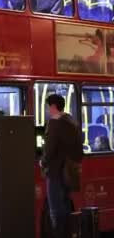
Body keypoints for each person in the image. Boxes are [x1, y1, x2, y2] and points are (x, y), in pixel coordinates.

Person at [41, 94, 83, 238]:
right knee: (65, 206)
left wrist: (43, 161)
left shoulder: (54, 123)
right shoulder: (72, 122)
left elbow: (50, 149)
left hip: (55, 172)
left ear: (53, 107)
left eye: (48, 107)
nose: (48, 110)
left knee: (55, 209)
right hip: (69, 172)